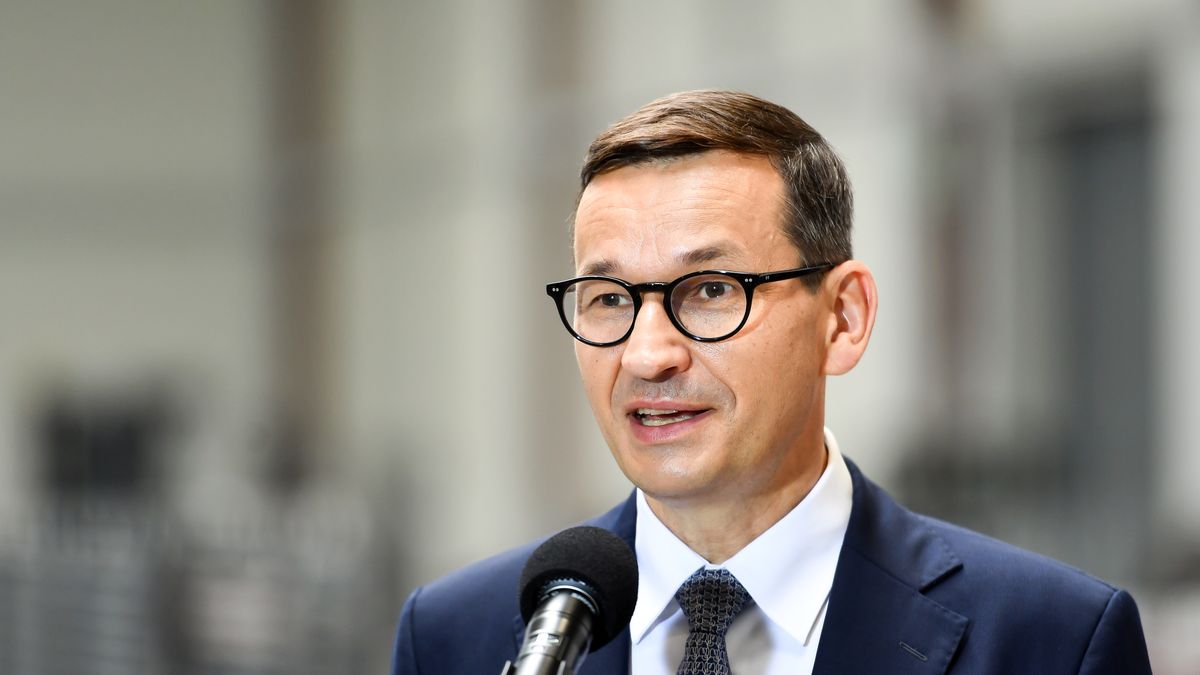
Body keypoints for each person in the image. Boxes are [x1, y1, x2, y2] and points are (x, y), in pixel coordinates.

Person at [391, 90, 1153, 674]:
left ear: (843, 318)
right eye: (610, 299)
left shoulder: (1050, 640)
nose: (648, 353)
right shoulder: (463, 635)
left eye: (712, 289)